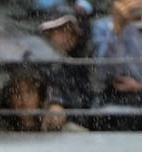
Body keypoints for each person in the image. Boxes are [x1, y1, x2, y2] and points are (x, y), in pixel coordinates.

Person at [38, 3, 94, 131]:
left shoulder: (89, 59)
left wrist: (62, 106)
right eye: (52, 31)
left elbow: (89, 97)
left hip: (88, 129)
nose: (56, 36)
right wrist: (54, 103)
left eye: (63, 29)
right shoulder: (45, 62)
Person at [92, 0, 142, 130]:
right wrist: (117, 30)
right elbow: (103, 72)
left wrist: (139, 87)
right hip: (114, 97)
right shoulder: (102, 26)